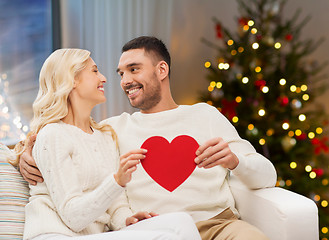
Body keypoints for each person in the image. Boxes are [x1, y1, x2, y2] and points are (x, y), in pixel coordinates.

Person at [19, 37, 277, 240]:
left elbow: (268, 176)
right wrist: (24, 156)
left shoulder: (205, 115)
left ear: (161, 69)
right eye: (121, 73)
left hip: (218, 226)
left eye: (134, 69)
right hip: (154, 231)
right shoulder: (111, 130)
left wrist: (235, 161)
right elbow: (59, 137)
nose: (124, 81)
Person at [15, 48, 201, 240]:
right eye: (94, 71)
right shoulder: (53, 134)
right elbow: (74, 218)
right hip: (56, 235)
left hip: (92, 236)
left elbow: (115, 206)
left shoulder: (105, 135)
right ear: (71, 80)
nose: (103, 78)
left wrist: (127, 220)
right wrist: (116, 181)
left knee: (182, 221)